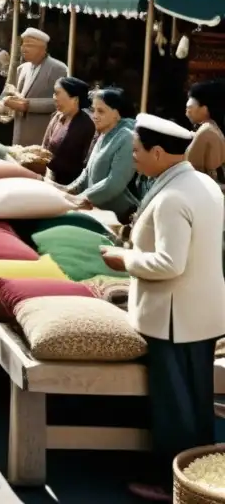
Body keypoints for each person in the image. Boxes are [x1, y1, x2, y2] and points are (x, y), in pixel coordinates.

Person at [100, 114, 225, 502]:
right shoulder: (201, 182)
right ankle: (197, 474)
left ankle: (169, 481)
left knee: (175, 407)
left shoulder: (173, 197)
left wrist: (125, 260)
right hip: (197, 311)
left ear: (157, 152)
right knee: (196, 401)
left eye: (136, 150)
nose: (132, 156)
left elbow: (171, 263)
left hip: (174, 317)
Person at [59, 86, 138, 222]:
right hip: (96, 212)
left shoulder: (127, 138)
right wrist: (66, 191)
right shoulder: (104, 132)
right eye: (93, 110)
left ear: (117, 113)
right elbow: (87, 172)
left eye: (100, 111)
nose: (94, 116)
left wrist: (80, 198)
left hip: (121, 219)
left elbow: (114, 183)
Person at [2, 27, 68, 146]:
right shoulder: (22, 68)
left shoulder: (57, 68)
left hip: (41, 134)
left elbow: (61, 102)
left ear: (43, 48)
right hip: (19, 133)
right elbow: (18, 95)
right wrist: (10, 101)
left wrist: (28, 105)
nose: (23, 49)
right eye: (23, 45)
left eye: (29, 45)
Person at [42, 76, 96, 186]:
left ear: (75, 99)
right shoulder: (57, 117)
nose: (54, 98)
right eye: (54, 93)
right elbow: (44, 147)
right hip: (48, 179)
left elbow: (88, 164)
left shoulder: (88, 125)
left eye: (57, 93)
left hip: (70, 186)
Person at [185, 80, 225, 181]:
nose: (187, 113)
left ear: (204, 109)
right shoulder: (212, 128)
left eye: (190, 108)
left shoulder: (206, 132)